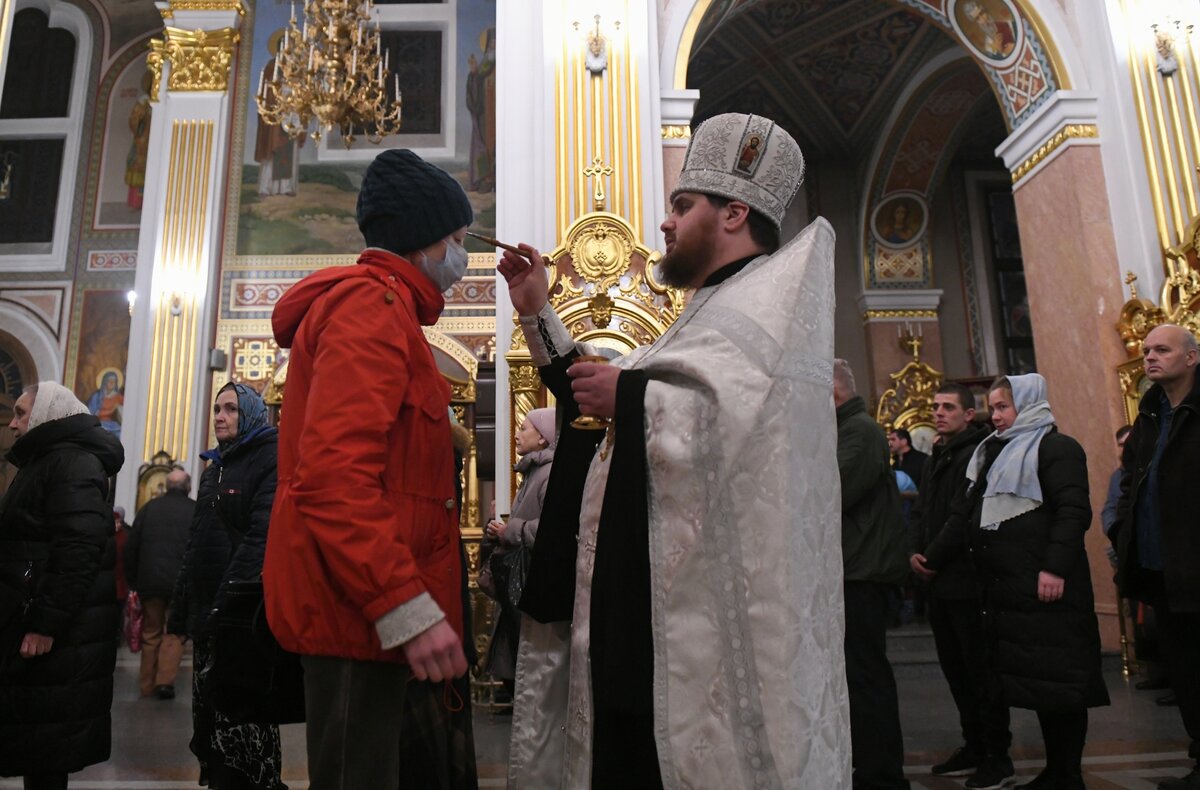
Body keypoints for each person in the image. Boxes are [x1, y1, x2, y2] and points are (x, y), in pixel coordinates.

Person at [500, 112, 850, 787]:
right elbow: (609, 400)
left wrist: (629, 398)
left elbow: (741, 431)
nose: (666, 222)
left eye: (681, 206)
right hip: (640, 621)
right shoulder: (705, 312)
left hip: (693, 639)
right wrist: (537, 313)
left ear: (734, 211)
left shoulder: (763, 312)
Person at [264, 148, 471, 789]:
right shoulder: (369, 310)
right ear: (423, 240)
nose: (463, 256)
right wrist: (407, 608)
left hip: (368, 612)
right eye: (458, 239)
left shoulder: (391, 313)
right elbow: (334, 480)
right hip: (357, 615)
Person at [926, 374, 1109, 790]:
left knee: (1061, 683)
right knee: (1043, 684)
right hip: (1009, 591)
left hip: (1049, 587)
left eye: (1003, 407)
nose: (996, 416)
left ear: (1027, 405)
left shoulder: (1057, 448)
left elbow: (1072, 512)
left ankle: (1067, 774)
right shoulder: (993, 452)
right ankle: (1056, 772)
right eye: (992, 408)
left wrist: (1054, 568)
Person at [0, 382, 124, 790]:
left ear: (46, 414)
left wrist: (44, 623)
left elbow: (79, 550)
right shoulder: (51, 459)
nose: (14, 424)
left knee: (46, 750)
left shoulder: (71, 463)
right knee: (38, 743)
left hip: (52, 634)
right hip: (29, 617)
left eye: (21, 413)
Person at [168, 382, 284, 790]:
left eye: (230, 409)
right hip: (209, 615)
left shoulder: (268, 457)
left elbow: (259, 539)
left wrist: (224, 607)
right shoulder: (214, 467)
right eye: (217, 408)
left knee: (246, 728)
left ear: (250, 413)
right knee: (211, 724)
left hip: (240, 616)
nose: (219, 416)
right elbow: (196, 541)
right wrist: (182, 608)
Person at [909, 382, 1012, 786]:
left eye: (948, 407)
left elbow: (961, 513)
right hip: (939, 584)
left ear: (969, 414)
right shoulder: (939, 452)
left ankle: (996, 756)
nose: (938, 412)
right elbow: (921, 507)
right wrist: (912, 550)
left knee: (980, 673)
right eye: (935, 406)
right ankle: (973, 744)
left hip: (967, 582)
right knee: (956, 671)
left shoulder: (977, 452)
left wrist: (930, 557)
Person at [1112, 323, 1200, 790]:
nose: (1149, 357)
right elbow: (1130, 483)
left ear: (1190, 358)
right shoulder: (1149, 414)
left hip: (1195, 564)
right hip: (1162, 570)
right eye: (1146, 351)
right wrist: (1121, 529)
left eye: (1161, 350)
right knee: (1185, 675)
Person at [833, 359, 912, 790]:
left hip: (863, 571)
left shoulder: (859, 430)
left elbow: (834, 489)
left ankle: (882, 775)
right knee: (857, 674)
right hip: (854, 567)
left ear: (832, 391)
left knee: (867, 676)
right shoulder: (847, 429)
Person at [480, 408, 555, 689]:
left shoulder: (548, 474)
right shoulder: (533, 471)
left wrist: (510, 530)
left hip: (532, 579)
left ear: (543, 438)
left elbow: (550, 530)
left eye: (524, 428)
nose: (517, 434)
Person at [125, 468, 193, 700]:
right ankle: (164, 682)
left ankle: (146, 684)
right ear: (189, 487)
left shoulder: (148, 509)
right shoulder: (194, 511)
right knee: (173, 633)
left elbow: (131, 546)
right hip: (181, 584)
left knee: (151, 632)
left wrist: (133, 580)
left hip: (150, 582)